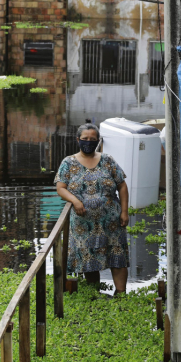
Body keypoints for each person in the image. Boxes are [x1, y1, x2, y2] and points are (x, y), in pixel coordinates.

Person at [54, 123, 130, 295]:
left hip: (112, 221)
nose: (88, 142)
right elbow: (61, 188)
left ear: (98, 141)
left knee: (117, 255)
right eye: (85, 139)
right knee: (89, 258)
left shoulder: (108, 160)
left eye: (92, 139)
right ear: (78, 140)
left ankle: (121, 294)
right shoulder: (68, 163)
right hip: (83, 224)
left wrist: (124, 211)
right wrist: (76, 201)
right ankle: (93, 294)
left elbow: (122, 186)